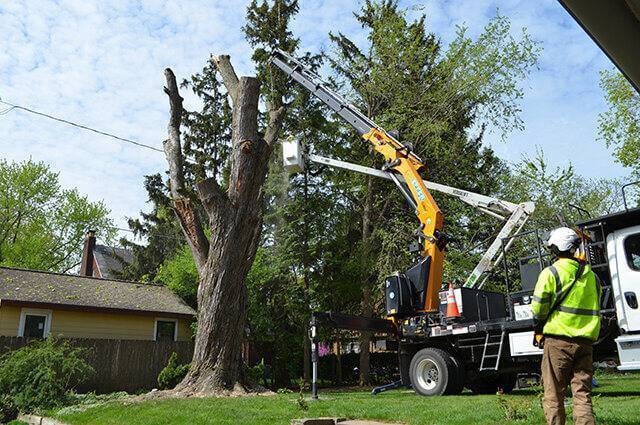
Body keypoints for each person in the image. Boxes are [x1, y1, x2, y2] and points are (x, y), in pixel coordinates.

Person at [531, 227, 601, 425]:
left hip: (558, 342)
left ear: (554, 248)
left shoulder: (551, 273)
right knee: (582, 394)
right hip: (585, 343)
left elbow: (538, 308)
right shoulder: (592, 277)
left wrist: (539, 328)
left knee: (554, 393)